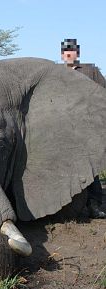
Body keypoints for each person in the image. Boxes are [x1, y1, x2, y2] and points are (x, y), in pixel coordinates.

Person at [61, 38, 106, 218]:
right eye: (66, 51)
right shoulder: (55, 72)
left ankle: (94, 204)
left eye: (72, 51)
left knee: (89, 164)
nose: (69, 54)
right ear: (62, 54)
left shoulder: (90, 70)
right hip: (64, 126)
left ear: (77, 53)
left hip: (88, 125)